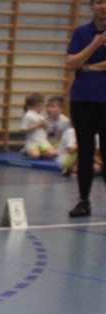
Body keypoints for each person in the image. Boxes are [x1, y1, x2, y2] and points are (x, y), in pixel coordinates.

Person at [64, 0, 106, 218]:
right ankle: (83, 200)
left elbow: (80, 64)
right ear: (92, 6)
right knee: (85, 151)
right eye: (98, 2)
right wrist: (96, 44)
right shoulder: (81, 32)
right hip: (83, 99)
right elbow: (71, 63)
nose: (103, 6)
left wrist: (88, 66)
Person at [20, 93, 56, 160]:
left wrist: (45, 125)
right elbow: (22, 130)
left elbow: (46, 129)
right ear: (39, 104)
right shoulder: (28, 115)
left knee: (53, 153)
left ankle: (38, 151)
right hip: (32, 142)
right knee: (35, 155)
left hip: (42, 141)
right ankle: (28, 150)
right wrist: (33, 127)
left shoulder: (40, 115)